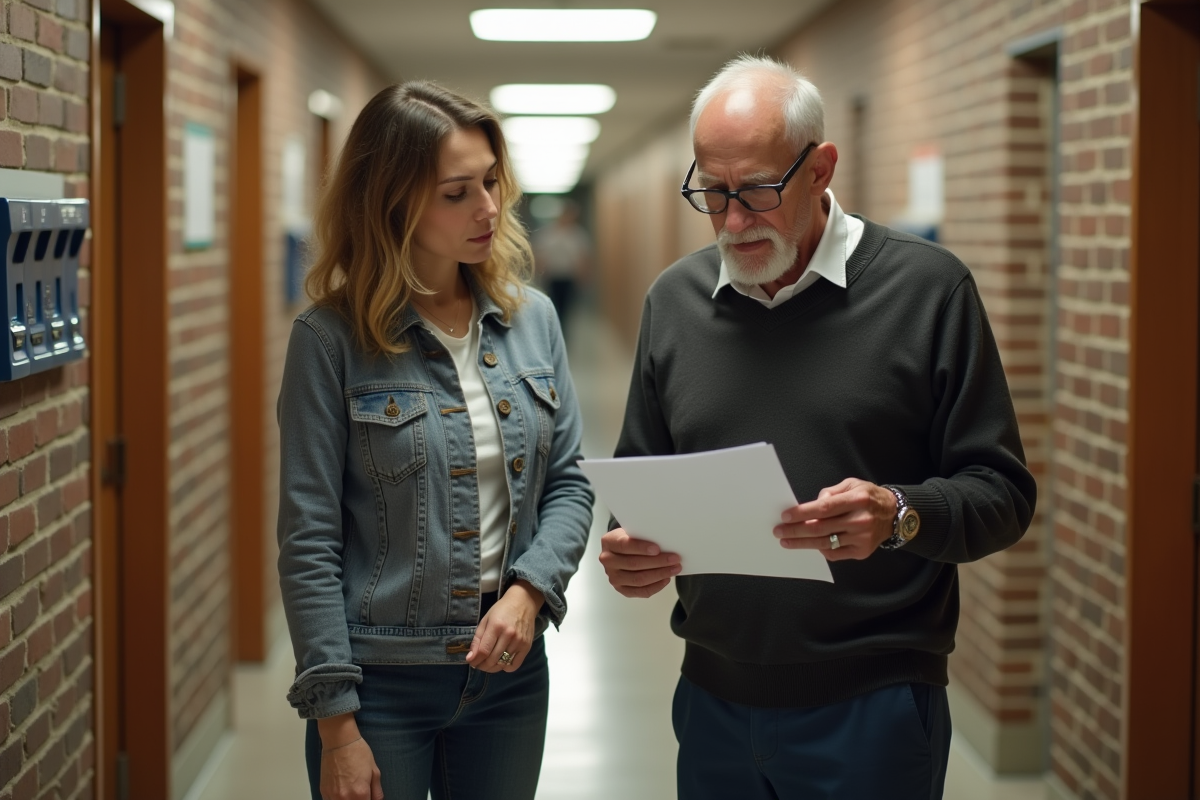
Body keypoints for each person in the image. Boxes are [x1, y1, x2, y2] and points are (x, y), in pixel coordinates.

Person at [598, 55, 1037, 800]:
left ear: (821, 167)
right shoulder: (673, 303)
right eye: (713, 192)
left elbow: (1002, 495)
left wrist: (898, 516)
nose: (734, 221)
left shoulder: (928, 291)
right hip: (712, 701)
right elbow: (640, 484)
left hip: (874, 707)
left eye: (759, 191)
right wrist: (628, 552)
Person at [277, 81, 594, 800]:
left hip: (511, 674)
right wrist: (336, 726)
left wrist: (528, 593)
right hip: (379, 687)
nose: (488, 208)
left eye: (490, 183)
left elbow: (570, 481)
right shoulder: (330, 342)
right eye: (457, 193)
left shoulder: (533, 321)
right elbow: (309, 539)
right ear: (393, 200)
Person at [532, 200, 591, 337]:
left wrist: (584, 276)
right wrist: (538, 273)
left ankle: (562, 335)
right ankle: (551, 333)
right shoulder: (548, 234)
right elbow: (539, 255)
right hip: (552, 277)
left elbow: (584, 258)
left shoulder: (578, 235)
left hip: (569, 278)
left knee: (566, 310)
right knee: (551, 307)